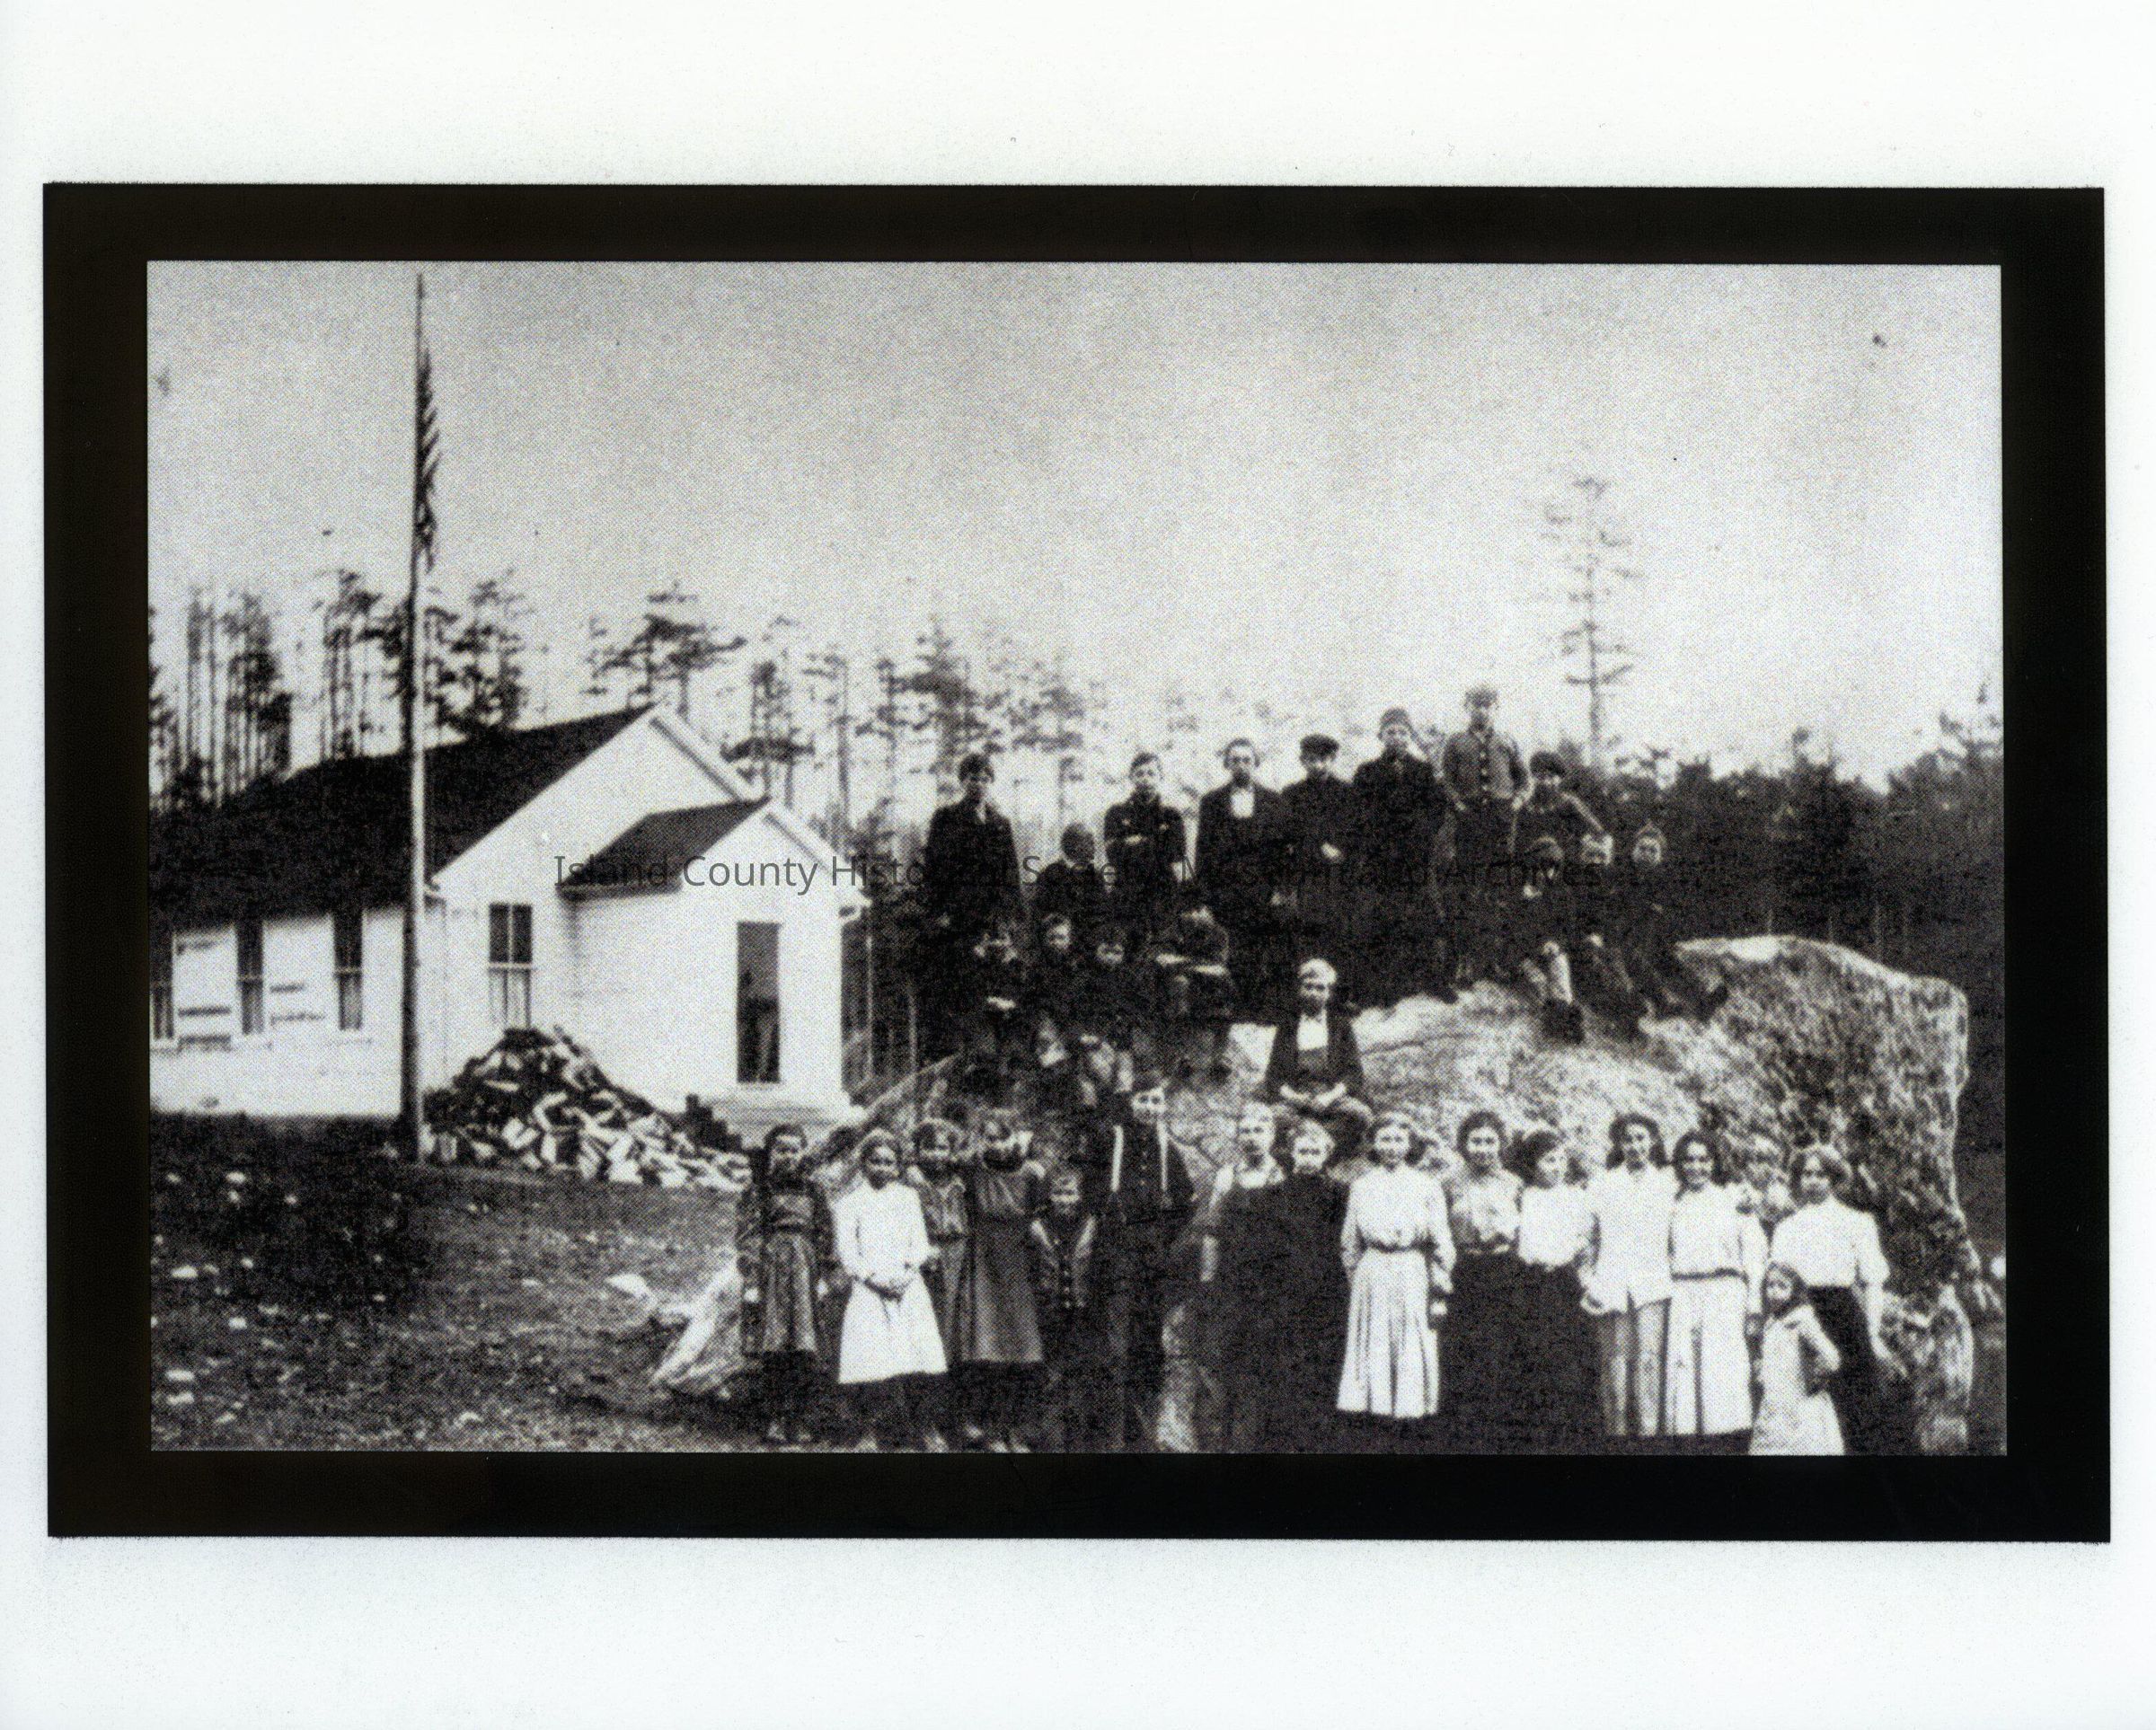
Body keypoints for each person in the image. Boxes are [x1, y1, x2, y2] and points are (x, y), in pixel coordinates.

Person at [1091, 1068, 1199, 1450]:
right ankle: (1110, 1442)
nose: (1150, 1107)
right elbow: (1090, 1193)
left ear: (1163, 1106)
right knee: (1113, 1350)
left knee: (1148, 1349)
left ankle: (1142, 1440)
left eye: (1156, 1101)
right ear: (1131, 1102)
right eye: (1143, 1100)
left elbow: (1187, 1201)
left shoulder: (1167, 1147)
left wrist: (1162, 1237)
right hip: (1115, 1259)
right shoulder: (1111, 1140)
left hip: (1152, 1264)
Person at [1337, 1109, 1455, 1449]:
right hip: (1372, 1273)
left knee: (1411, 1344)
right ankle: (1375, 1425)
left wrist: (1439, 1290)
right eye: (1384, 1139)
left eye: (1398, 1139)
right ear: (1374, 1144)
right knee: (1374, 1343)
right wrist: (1358, 1280)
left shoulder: (1427, 1186)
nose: (1391, 1146)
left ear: (1410, 1144)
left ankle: (1410, 1426)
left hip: (1412, 1270)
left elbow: (1441, 1241)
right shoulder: (1362, 1186)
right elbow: (1350, 1242)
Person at [1234, 1117, 1353, 1452]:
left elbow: (1346, 1242)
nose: (1309, 1158)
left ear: (1327, 1155)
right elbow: (1261, 1248)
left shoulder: (1340, 1194)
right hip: (1283, 1293)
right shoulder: (1272, 1196)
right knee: (1283, 1366)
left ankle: (1318, 1442)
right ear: (1292, 1153)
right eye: (1303, 1151)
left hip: (1326, 1291)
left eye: (1316, 1152)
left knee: (1323, 1365)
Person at [1770, 1143, 1896, 1454]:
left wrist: (1872, 1333)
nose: (1813, 1181)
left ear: (1835, 1178)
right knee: (1802, 1403)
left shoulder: (1857, 1222)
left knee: (1853, 1403)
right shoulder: (1787, 1227)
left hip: (1843, 1317)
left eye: (1821, 1175)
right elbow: (1778, 1282)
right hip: (1801, 1316)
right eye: (1806, 1174)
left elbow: (1873, 1282)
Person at [834, 1129, 948, 1450]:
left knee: (920, 1355)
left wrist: (908, 1274)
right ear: (863, 1164)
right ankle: (870, 1430)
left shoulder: (908, 1198)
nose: (882, 1168)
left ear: (898, 1166)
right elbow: (848, 1252)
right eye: (875, 1161)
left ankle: (925, 1428)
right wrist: (874, 1279)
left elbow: (919, 1243)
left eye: (889, 1162)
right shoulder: (849, 1203)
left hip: (907, 1285)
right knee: (871, 1358)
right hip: (869, 1288)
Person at [1662, 1129, 1767, 1452]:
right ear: (1679, 1164)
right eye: (1689, 1160)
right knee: (1685, 1373)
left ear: (1715, 1162)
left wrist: (1754, 1304)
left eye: (1704, 1160)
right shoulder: (1672, 1203)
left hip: (1724, 1292)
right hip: (1682, 1291)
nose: (1696, 1167)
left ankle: (1727, 1447)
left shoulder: (1734, 1201)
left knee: (1723, 1373)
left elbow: (1754, 1255)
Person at [950, 1109, 1047, 1451]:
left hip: (1020, 1260)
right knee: (986, 1347)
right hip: (984, 1258)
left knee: (1022, 1346)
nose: (997, 1145)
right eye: (989, 1138)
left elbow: (1043, 1217)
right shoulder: (973, 1169)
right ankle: (990, 1428)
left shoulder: (1033, 1173)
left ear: (1017, 1136)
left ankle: (1017, 1429)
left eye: (1003, 1137)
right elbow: (949, 1163)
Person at [1582, 1113, 1676, 1449]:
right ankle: (1617, 1438)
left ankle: (1649, 1438)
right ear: (1618, 1144)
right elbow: (1588, 1238)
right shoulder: (1602, 1184)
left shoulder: (1668, 1183)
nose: (1635, 1146)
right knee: (1615, 1364)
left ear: (1653, 1141)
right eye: (1628, 1139)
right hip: (1612, 1285)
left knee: (1650, 1361)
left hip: (1653, 1286)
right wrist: (1589, 1281)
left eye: (1641, 1138)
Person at [738, 1123, 835, 1446]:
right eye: (781, 1150)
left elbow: (825, 1232)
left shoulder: (814, 1190)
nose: (788, 1156)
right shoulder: (759, 1190)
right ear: (770, 1153)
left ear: (803, 1153)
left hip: (806, 1271)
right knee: (775, 1343)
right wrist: (752, 1279)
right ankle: (776, 1417)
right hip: (772, 1270)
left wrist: (824, 1274)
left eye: (794, 1150)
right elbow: (749, 1235)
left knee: (805, 1345)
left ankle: (801, 1417)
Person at [919, 752, 1023, 1057]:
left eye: (985, 779)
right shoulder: (946, 818)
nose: (979, 784)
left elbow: (1010, 871)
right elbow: (934, 868)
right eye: (972, 778)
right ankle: (954, 1056)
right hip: (958, 916)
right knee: (960, 985)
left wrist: (1012, 914)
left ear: (991, 782)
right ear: (962, 782)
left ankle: (990, 1057)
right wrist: (939, 911)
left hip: (991, 917)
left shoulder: (1000, 823)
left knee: (993, 984)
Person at [1352, 707, 1454, 1009]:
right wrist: (1381, 835)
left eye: (1402, 732)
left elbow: (1436, 809)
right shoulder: (1367, 772)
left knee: (1426, 914)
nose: (1397, 737)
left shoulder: (1423, 771)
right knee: (1384, 917)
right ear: (1381, 736)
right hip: (1382, 858)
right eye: (1391, 732)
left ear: (1410, 737)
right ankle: (1387, 985)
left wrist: (1419, 832)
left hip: (1415, 855)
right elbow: (1359, 812)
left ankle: (1434, 979)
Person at [1199, 1102, 1287, 1451]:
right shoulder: (1226, 1176)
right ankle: (1215, 1444)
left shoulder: (1282, 1176)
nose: (1251, 1138)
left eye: (1258, 1131)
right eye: (1245, 1131)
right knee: (1219, 1361)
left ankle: (1250, 1444)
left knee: (1258, 1365)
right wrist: (1208, 1278)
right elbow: (1211, 1232)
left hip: (1267, 1285)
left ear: (1272, 1135)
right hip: (1229, 1282)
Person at [1507, 1126, 1599, 1452]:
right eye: (1549, 1160)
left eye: (1561, 1159)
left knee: (1568, 1360)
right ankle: (1534, 1437)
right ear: (1532, 1164)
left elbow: (1587, 1246)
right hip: (1530, 1285)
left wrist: (1586, 1283)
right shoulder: (1523, 1197)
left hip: (1565, 1286)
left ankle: (1569, 1438)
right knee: (1532, 1358)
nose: (1557, 1167)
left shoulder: (1577, 1198)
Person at [1440, 1109, 1524, 1452]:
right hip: (1465, 1271)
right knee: (1464, 1349)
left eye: (1490, 1141)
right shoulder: (1448, 1183)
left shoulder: (1513, 1183)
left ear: (1501, 1145)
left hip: (1504, 1270)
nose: (1483, 1149)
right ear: (1464, 1144)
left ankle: (1501, 1433)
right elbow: (1440, 1233)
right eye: (1476, 1141)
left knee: (1502, 1348)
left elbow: (1524, 1232)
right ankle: (1464, 1434)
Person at [1438, 684, 1527, 987]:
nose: (1482, 711)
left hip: (1501, 821)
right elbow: (1446, 780)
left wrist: (1517, 802)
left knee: (1497, 889)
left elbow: (1524, 779)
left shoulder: (1508, 741)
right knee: (1467, 889)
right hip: (1469, 820)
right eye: (1476, 705)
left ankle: (1494, 960)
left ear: (1496, 709)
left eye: (1487, 706)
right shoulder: (1456, 742)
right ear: (1467, 708)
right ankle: (1466, 962)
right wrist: (1457, 803)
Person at [1195, 738, 1291, 1018]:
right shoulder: (1212, 802)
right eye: (1235, 760)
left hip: (1262, 888)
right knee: (1231, 947)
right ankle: (1233, 1010)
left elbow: (1284, 849)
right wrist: (1204, 895)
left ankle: (1260, 1010)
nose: (1241, 765)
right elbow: (1203, 851)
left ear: (1256, 763)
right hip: (1226, 888)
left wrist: (1281, 889)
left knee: (1261, 946)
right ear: (1227, 764)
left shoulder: (1273, 801)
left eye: (1247, 760)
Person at [1260, 957, 1374, 1161]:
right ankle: (1311, 1143)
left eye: (1320, 988)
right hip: (1298, 1096)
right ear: (1300, 989)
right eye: (1308, 987)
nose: (1313, 993)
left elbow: (1354, 1073)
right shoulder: (1288, 1026)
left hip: (1331, 1096)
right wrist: (1294, 1098)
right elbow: (1273, 1076)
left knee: (1362, 1116)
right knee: (1270, 1119)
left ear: (1329, 992)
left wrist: (1329, 1097)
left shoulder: (1340, 1025)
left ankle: (1317, 1148)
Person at [1613, 824, 1727, 1020]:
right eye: (1642, 848)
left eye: (1653, 851)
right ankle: (1661, 1003)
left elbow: (1669, 912)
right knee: (1638, 957)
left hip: (1648, 932)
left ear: (1660, 856)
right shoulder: (1621, 872)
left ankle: (1702, 1000)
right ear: (1633, 849)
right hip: (1622, 932)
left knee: (1666, 958)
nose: (1646, 854)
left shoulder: (1662, 879)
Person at [1029, 1164, 1104, 1451]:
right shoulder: (1037, 1227)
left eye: (1070, 1193)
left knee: (1081, 1373)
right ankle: (1052, 1442)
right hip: (1050, 1313)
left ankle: (1080, 1441)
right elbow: (1030, 1270)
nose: (1064, 1200)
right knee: (1051, 1376)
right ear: (1049, 1195)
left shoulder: (1091, 1225)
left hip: (1083, 1312)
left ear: (1080, 1195)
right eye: (1058, 1193)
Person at [1279, 732, 1363, 988]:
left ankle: (1340, 994)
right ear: (1303, 761)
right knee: (1310, 933)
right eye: (1311, 760)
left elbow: (1358, 832)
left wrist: (1343, 851)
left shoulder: (1348, 792)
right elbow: (1290, 834)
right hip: (1309, 875)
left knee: (1341, 933)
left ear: (1332, 759)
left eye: (1323, 759)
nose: (1318, 765)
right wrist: (1318, 848)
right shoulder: (1292, 794)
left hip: (1340, 875)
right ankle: (1309, 991)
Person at [905, 1117, 969, 1432]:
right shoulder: (910, 1182)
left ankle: (955, 1418)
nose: (936, 1155)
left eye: (943, 1148)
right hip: (925, 1259)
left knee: (958, 1337)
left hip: (959, 1257)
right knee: (926, 1335)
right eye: (928, 1148)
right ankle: (923, 1421)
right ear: (917, 1150)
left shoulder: (961, 1181)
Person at [1750, 1262, 1846, 1455]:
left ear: (1794, 1291)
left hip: (1800, 1402)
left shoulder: (1802, 1321)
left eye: (1782, 1286)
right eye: (1770, 1285)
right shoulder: (1770, 1324)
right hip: (1774, 1401)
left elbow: (1832, 1358)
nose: (1774, 1292)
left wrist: (1815, 1376)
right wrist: (1761, 1368)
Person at [1567, 830, 1652, 1036]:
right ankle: (1621, 1007)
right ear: (1582, 856)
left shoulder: (1611, 885)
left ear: (1609, 858)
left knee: (1615, 958)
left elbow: (1614, 918)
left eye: (1601, 856)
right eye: (1591, 855)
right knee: (1594, 965)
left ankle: (1629, 1004)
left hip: (1603, 940)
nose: (1596, 861)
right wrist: (1586, 936)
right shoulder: (1572, 883)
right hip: (1576, 943)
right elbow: (1566, 917)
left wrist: (1603, 935)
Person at [1101, 752, 1188, 948]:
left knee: (1162, 950)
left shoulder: (1171, 815)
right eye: (1140, 773)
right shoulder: (1116, 813)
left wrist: (1135, 843)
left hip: (1163, 894)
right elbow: (1113, 853)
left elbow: (1177, 853)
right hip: (1127, 893)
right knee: (1128, 949)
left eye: (1151, 773)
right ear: (1131, 777)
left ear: (1160, 777)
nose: (1145, 779)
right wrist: (1156, 843)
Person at [1507, 836, 1586, 1043]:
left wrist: (1555, 943)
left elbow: (1568, 929)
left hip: (1548, 950)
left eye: (1551, 868)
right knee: (1538, 981)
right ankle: (1556, 1016)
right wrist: (1527, 903)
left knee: (1559, 965)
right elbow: (1510, 931)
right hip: (1521, 954)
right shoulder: (1516, 892)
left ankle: (1564, 1011)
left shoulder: (1562, 894)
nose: (1545, 873)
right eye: (1540, 867)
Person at [1153, 903, 1236, 1082]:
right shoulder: (1174, 931)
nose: (1195, 915)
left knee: (1225, 989)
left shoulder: (1218, 933)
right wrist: (1198, 965)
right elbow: (1162, 960)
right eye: (1191, 910)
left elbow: (1218, 967)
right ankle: (1181, 1056)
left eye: (1200, 910)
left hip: (1209, 986)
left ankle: (1220, 1057)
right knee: (1179, 986)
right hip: (1179, 987)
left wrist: (1183, 962)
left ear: (1209, 912)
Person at [956, 920, 1030, 1096]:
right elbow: (971, 993)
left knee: (1013, 1057)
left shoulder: (1019, 967)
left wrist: (1011, 1004)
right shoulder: (983, 966)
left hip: (1012, 1021)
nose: (997, 944)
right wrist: (977, 959)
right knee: (984, 1054)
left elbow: (1027, 997)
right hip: (987, 1021)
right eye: (993, 940)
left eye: (1002, 939)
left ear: (1010, 941)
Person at [1514, 751, 1608, 861]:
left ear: (1560, 778)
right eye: (1541, 777)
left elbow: (1598, 832)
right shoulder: (1527, 808)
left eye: (1551, 777)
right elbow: (1518, 846)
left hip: (1570, 862)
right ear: (1534, 778)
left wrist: (1589, 849)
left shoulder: (1569, 803)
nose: (1546, 782)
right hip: (1535, 864)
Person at [1031, 822, 1107, 946]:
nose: (1094, 848)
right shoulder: (1049, 875)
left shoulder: (1096, 875)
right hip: (1058, 944)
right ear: (1075, 846)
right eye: (1090, 843)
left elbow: (1102, 913)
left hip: (1090, 944)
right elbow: (1040, 916)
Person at [1024, 909, 1088, 1040]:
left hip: (1072, 1023)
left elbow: (1080, 1001)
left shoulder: (1077, 967)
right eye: (1051, 938)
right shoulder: (1037, 968)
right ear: (1044, 940)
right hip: (1045, 1023)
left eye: (1061, 938)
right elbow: (1032, 1000)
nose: (1056, 943)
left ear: (1069, 940)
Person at [1733, 1133, 1797, 1233]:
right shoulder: (1737, 1193)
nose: (1766, 1167)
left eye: (1771, 1162)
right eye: (1760, 1160)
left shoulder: (1781, 1193)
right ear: (1746, 1165)